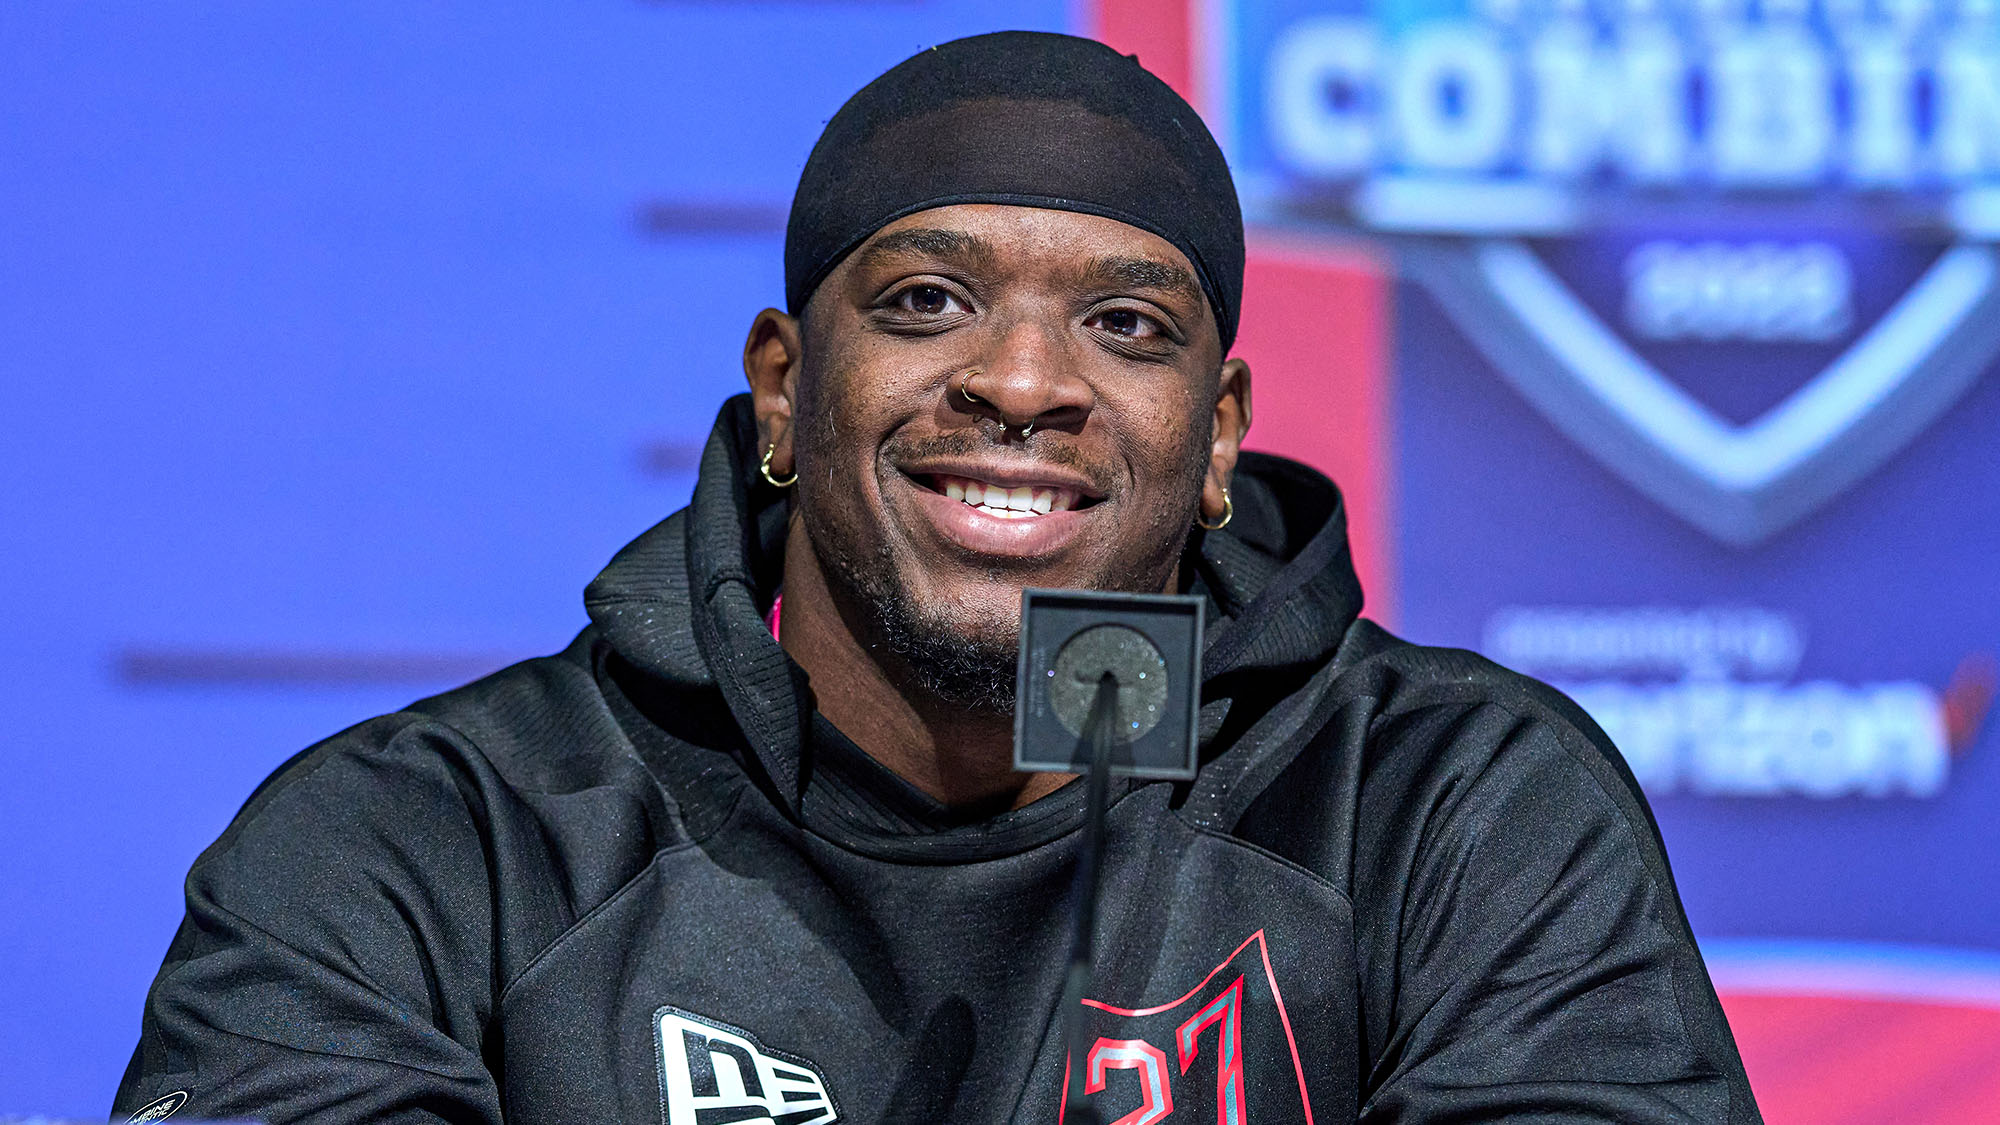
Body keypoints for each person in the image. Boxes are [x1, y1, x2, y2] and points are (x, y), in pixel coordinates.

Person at [113, 30, 1760, 1125]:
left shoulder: (1449, 807)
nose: (1025, 381)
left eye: (1127, 324)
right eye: (924, 303)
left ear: (1217, 437)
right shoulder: (426, 843)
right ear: (779, 384)